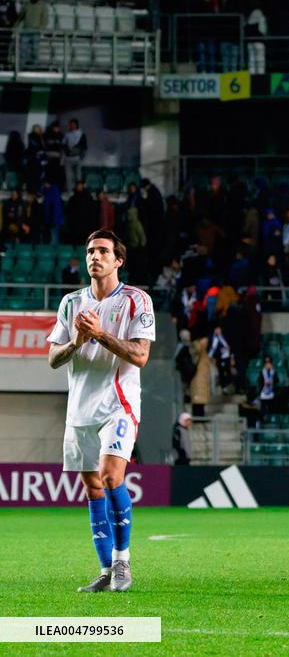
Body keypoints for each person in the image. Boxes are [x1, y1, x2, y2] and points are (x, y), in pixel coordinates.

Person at [46, 229, 156, 594]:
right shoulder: (70, 303)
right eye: (91, 250)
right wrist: (78, 340)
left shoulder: (136, 301)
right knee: (92, 487)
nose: (95, 257)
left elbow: (140, 356)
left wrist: (100, 334)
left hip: (118, 404)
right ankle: (106, 568)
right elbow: (53, 359)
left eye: (103, 251)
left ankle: (123, 561)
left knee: (111, 476)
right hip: (80, 407)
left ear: (118, 260)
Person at [17, 0, 48, 68]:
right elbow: (20, 17)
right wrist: (15, 26)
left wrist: (41, 28)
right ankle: (22, 67)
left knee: (34, 51)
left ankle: (34, 67)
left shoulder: (42, 5)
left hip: (35, 32)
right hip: (26, 31)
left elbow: (45, 18)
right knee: (23, 50)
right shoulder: (27, 4)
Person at [63, 119, 87, 188]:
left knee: (78, 176)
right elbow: (63, 145)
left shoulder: (81, 134)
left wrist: (81, 156)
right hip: (68, 159)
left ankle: (78, 191)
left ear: (77, 125)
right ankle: (70, 191)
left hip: (77, 158)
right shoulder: (67, 134)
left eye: (73, 124)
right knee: (69, 176)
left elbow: (84, 147)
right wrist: (67, 153)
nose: (72, 126)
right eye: (70, 125)